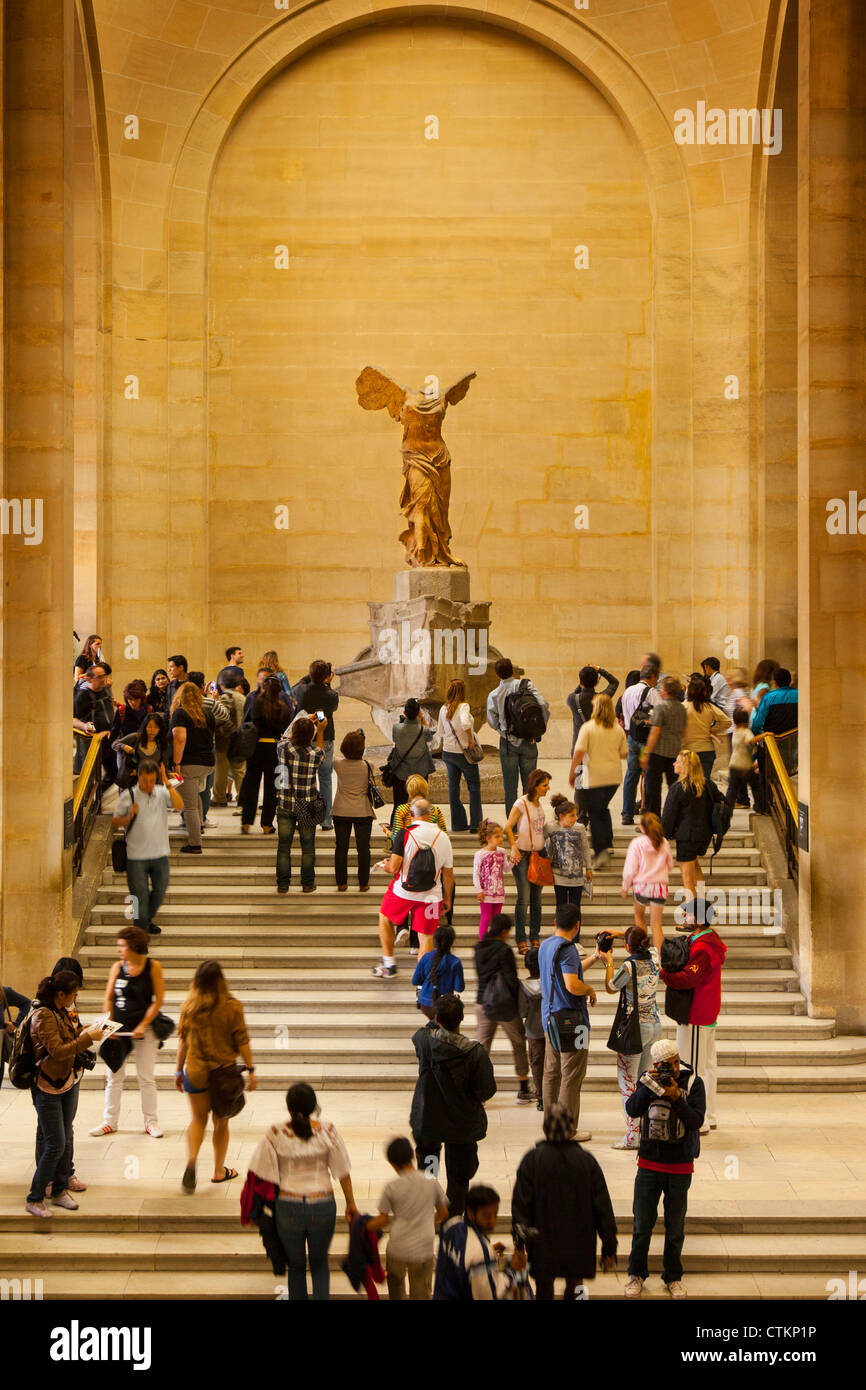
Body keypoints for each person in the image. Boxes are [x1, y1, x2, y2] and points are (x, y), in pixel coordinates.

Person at [246, 1082, 358, 1301]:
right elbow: (342, 1171)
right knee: (319, 1263)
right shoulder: (328, 1130)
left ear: (288, 1107)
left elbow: (259, 1173)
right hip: (323, 1204)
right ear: (314, 1105)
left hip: (288, 1206)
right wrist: (351, 1203)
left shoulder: (276, 1132)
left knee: (296, 1266)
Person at [624, 1038, 706, 1299]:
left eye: (671, 1063)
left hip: (680, 1165)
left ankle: (673, 1277)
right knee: (642, 1224)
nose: (668, 1069)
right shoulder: (648, 1079)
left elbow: (696, 1121)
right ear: (655, 1063)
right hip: (649, 1163)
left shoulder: (693, 1082)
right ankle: (636, 1274)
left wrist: (676, 1098)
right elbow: (632, 1109)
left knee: (675, 1227)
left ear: (677, 1058)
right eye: (662, 1065)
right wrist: (648, 1086)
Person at [512, 1102, 618, 1299]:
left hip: (542, 1240)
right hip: (579, 1241)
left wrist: (519, 1244)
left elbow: (521, 1206)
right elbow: (603, 1207)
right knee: (576, 1286)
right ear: (571, 1128)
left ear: (545, 1128)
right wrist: (609, 1246)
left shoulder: (532, 1160)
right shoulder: (587, 1161)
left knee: (544, 1288)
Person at [25, 971, 106, 1218]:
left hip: (66, 1081)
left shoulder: (61, 1011)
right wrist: (88, 1039)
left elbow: (70, 1036)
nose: (76, 997)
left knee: (66, 1136)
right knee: (55, 1144)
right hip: (47, 1085)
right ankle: (35, 1197)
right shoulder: (43, 1016)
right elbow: (58, 1051)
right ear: (61, 994)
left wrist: (89, 1030)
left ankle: (60, 1190)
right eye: (74, 993)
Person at [410, 994, 496, 1217]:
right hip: (462, 1124)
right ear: (462, 1018)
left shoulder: (424, 1040)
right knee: (459, 1176)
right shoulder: (475, 1053)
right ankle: (454, 1219)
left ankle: (428, 1212)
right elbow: (486, 1090)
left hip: (428, 1118)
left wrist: (437, 1013)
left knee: (428, 1167)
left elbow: (425, 1028)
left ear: (437, 1018)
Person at [175, 959, 257, 1191]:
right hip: (223, 1076)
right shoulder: (232, 1007)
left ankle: (192, 1161)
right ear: (221, 980)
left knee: (197, 1119)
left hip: (195, 1071)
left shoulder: (189, 1006)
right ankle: (219, 1171)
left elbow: (182, 1041)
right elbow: (242, 1041)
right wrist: (251, 1071)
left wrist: (178, 1070)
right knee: (221, 1121)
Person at [89, 926, 166, 1139]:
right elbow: (108, 998)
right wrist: (110, 1024)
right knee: (114, 1075)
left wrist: (144, 1024)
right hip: (119, 1028)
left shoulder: (153, 967)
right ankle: (109, 1121)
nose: (118, 950)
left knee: (146, 1076)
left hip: (145, 1029)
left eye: (122, 945)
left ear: (133, 946)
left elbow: (158, 999)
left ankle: (151, 1122)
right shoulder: (117, 967)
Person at [660, 899, 726, 1131]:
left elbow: (689, 978)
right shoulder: (709, 939)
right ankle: (710, 1114)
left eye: (687, 915)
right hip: (706, 1011)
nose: (684, 919)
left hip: (696, 1012)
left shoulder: (702, 947)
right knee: (708, 1066)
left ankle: (701, 1120)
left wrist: (664, 975)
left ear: (699, 919)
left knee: (693, 1067)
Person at [539, 902, 602, 1139]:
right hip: (573, 1022)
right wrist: (590, 990)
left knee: (551, 1073)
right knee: (572, 1074)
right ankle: (565, 1130)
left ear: (555, 922)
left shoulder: (546, 946)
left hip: (550, 1018)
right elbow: (572, 984)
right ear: (577, 926)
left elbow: (568, 972)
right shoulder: (569, 949)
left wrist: (595, 957)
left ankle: (550, 1124)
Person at [373, 797, 454, 977]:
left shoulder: (404, 833)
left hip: (402, 893)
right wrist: (447, 898)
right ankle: (422, 981)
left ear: (411, 814)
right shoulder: (443, 837)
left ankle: (389, 964)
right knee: (427, 934)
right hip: (433, 896)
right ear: (431, 814)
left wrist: (383, 865)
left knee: (385, 917)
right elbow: (448, 874)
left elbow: (394, 867)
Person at [365, 1136, 450, 1300]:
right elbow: (444, 1212)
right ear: (414, 1156)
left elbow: (382, 1220)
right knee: (421, 1292)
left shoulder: (392, 1186)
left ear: (393, 1164)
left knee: (396, 1289)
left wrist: (363, 1226)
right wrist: (429, 1220)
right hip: (423, 1248)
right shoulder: (430, 1180)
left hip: (397, 1247)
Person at [601, 925, 662, 1150]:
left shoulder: (629, 965)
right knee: (645, 1081)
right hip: (654, 1025)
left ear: (627, 947)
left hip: (634, 1030)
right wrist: (621, 934)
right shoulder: (655, 956)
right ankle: (645, 1130)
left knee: (627, 1082)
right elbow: (644, 936)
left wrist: (608, 960)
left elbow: (610, 987)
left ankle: (632, 1135)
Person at [112, 759, 183, 935]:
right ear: (139, 776)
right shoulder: (129, 795)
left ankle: (144, 921)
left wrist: (167, 783)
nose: (149, 784)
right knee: (139, 899)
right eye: (145, 780)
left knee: (159, 892)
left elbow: (179, 806)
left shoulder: (161, 792)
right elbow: (114, 822)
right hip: (136, 857)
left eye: (152, 780)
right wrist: (129, 817)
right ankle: (140, 938)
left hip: (160, 854)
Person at [474, 912, 535, 1104]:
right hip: (504, 1005)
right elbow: (510, 979)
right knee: (518, 1043)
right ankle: (524, 1088)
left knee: (482, 1047)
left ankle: (477, 1092)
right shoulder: (504, 950)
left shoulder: (479, 948)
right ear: (503, 931)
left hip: (483, 1001)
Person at [434, 1184, 525, 1299]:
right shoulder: (479, 1254)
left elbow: (461, 1262)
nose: (492, 1221)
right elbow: (490, 1296)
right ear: (471, 1212)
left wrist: (487, 1250)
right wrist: (512, 1270)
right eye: (486, 1216)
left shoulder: (452, 1225)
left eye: (495, 1214)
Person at [569, 693, 628, 868]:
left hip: (594, 776)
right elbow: (624, 753)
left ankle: (601, 851)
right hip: (613, 777)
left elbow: (578, 752)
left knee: (595, 814)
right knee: (603, 809)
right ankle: (608, 844)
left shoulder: (588, 727)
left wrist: (573, 773)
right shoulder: (617, 729)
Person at [486, 657, 549, 815]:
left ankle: (513, 825)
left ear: (497, 675)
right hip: (529, 740)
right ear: (513, 671)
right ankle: (529, 820)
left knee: (510, 787)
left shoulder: (494, 694)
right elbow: (543, 705)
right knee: (530, 786)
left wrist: (503, 730)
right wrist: (538, 728)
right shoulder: (527, 685)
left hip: (508, 744)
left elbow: (492, 721)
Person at [275, 713, 326, 894]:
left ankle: (283, 884)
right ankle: (307, 883)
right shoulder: (316, 754)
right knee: (308, 846)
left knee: (284, 847)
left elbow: (285, 736)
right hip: (308, 804)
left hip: (285, 803)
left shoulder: (282, 748)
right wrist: (319, 731)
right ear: (310, 736)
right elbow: (320, 751)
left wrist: (300, 723)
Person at [661, 750, 721, 900]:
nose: (674, 764)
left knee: (687, 880)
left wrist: (663, 836)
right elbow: (723, 804)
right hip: (704, 836)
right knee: (696, 871)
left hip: (686, 837)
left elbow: (668, 817)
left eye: (678, 761)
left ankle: (693, 916)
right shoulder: (709, 785)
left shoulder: (678, 788)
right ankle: (701, 908)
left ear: (685, 766)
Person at [504, 768, 551, 952]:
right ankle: (521, 938)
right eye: (544, 785)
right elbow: (508, 826)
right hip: (523, 855)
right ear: (535, 785)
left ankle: (535, 935)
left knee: (536, 899)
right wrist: (513, 847)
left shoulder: (538, 804)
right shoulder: (521, 803)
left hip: (538, 855)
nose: (548, 788)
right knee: (523, 898)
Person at [240, 675, 292, 835]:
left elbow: (247, 721)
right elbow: (286, 726)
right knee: (272, 788)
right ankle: (267, 824)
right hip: (274, 749)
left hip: (256, 747)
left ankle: (246, 822)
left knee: (252, 785)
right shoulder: (282, 706)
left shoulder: (256, 703)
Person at [169, 680, 215, 854]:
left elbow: (179, 738)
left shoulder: (180, 713)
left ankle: (195, 844)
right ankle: (200, 825)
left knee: (189, 806)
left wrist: (176, 763)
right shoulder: (208, 713)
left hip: (188, 763)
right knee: (194, 797)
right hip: (207, 763)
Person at [293, 660, 338, 829]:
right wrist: (327, 683)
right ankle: (326, 820)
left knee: (305, 779)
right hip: (325, 735)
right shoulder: (331, 695)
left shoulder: (302, 691)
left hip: (305, 736)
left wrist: (312, 676)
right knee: (325, 778)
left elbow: (295, 686)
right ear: (327, 676)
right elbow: (332, 707)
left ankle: (305, 818)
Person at [436, 677, 483, 832]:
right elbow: (465, 723)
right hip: (463, 753)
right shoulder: (463, 707)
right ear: (463, 692)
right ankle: (476, 824)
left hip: (448, 753)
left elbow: (440, 732)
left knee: (453, 788)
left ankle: (458, 823)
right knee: (474, 787)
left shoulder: (443, 709)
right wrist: (470, 739)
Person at [620, 656, 661, 824]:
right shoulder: (650, 692)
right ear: (651, 677)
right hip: (645, 738)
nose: (657, 681)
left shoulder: (627, 691)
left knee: (631, 776)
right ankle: (648, 814)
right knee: (649, 777)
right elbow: (661, 712)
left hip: (631, 736)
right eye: (656, 678)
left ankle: (627, 814)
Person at [332, 729, 375, 892]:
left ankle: (341, 882)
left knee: (341, 847)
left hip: (341, 810)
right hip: (362, 811)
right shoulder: (368, 765)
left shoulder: (337, 763)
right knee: (363, 848)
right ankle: (363, 882)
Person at [621, 811, 673, 938]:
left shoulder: (637, 843)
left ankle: (642, 950)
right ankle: (659, 956)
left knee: (639, 918)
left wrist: (625, 887)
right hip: (659, 888)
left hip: (642, 887)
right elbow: (670, 865)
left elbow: (630, 869)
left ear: (642, 827)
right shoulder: (664, 842)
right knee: (656, 925)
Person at [640, 675, 686, 815]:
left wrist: (646, 753)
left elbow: (655, 732)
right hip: (675, 752)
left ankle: (653, 821)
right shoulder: (681, 708)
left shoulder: (661, 706)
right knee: (674, 788)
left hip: (658, 752)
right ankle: (673, 819)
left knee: (653, 789)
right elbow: (683, 732)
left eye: (661, 687)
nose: (659, 689)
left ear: (665, 690)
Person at [387, 698, 435, 825]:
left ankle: (395, 833)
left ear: (404, 712)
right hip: (420, 772)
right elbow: (430, 736)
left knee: (398, 805)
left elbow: (396, 738)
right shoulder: (423, 730)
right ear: (418, 712)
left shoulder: (396, 728)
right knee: (420, 805)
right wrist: (422, 718)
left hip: (401, 772)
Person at [544, 793, 592, 913]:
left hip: (577, 877)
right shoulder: (550, 827)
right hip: (559, 877)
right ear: (561, 816)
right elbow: (540, 843)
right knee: (561, 906)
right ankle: (561, 930)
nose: (576, 818)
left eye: (575, 815)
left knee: (575, 908)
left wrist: (589, 868)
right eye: (572, 816)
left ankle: (575, 931)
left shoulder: (580, 828)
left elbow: (585, 848)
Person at [683, 675, 731, 782]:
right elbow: (727, 722)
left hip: (689, 749)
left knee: (689, 783)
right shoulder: (709, 706)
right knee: (704, 783)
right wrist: (712, 729)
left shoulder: (684, 707)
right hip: (707, 749)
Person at [412, 924, 464, 1020]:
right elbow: (459, 987)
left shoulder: (426, 957)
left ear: (435, 941)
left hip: (425, 1004)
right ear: (451, 942)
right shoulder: (455, 962)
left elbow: (415, 981)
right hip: (445, 1006)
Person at [211, 669, 247, 806]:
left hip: (225, 740)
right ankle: (243, 799)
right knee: (239, 772)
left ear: (221, 684)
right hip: (241, 739)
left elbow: (221, 716)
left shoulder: (226, 697)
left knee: (221, 769)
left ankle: (219, 798)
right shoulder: (241, 697)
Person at [72, 664, 115, 774]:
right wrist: (84, 726)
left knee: (113, 771)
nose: (103, 679)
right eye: (99, 677)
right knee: (88, 773)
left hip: (108, 736)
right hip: (90, 739)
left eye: (104, 676)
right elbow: (73, 719)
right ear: (90, 679)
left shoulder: (106, 689)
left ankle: (100, 791)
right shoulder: (83, 696)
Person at [566, 663, 620, 750]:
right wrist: (599, 669)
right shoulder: (602, 698)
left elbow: (576, 692)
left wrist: (582, 681)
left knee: (579, 764)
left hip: (579, 745)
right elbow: (614, 682)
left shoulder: (572, 699)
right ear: (596, 682)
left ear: (580, 682)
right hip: (596, 746)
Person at [518, 948, 545, 1111]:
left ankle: (540, 1096)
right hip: (550, 1028)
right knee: (552, 1063)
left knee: (536, 1063)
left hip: (533, 1030)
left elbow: (522, 1011)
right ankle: (552, 1094)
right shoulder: (550, 981)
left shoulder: (523, 986)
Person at [112, 710, 170, 785]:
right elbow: (114, 744)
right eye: (149, 727)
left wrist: (169, 774)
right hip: (134, 784)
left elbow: (164, 766)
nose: (152, 730)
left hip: (154, 785)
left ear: (160, 729)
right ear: (145, 727)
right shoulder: (136, 737)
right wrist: (124, 747)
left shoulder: (162, 744)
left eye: (155, 727)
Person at [472, 818, 507, 939]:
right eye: (497, 837)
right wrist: (479, 890)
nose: (501, 839)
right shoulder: (480, 854)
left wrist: (513, 860)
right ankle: (483, 942)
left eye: (501, 836)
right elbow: (476, 874)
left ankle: (495, 942)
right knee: (486, 918)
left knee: (496, 919)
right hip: (486, 891)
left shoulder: (502, 852)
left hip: (498, 890)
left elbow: (506, 868)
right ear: (488, 838)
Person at [726, 706, 762, 811]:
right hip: (745, 766)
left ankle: (726, 813)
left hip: (733, 764)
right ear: (746, 720)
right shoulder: (746, 731)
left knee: (732, 790)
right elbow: (751, 741)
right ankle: (760, 808)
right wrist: (765, 734)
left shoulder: (735, 731)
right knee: (756, 786)